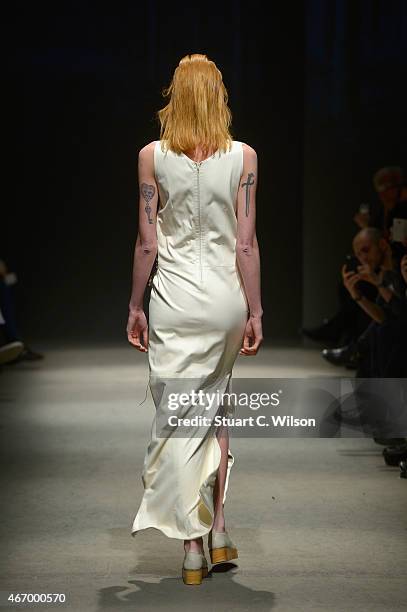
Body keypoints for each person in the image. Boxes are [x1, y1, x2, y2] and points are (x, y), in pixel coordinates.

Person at [126, 54, 263, 586]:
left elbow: (147, 241)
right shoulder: (244, 157)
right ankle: (221, 528)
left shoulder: (151, 157)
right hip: (226, 300)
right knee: (217, 410)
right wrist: (255, 310)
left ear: (174, 97)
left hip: (175, 300)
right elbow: (246, 243)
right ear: (219, 96)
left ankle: (191, 548)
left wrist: (136, 306)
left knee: (181, 416)